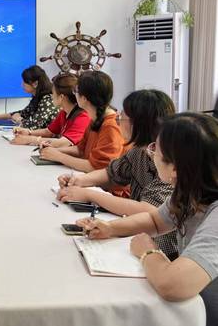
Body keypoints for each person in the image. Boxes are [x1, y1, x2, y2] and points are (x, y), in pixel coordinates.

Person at [77, 113, 218, 325]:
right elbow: (155, 220)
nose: (150, 153)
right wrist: (110, 228)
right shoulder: (190, 190)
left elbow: (174, 285)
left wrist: (148, 252)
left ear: (175, 168)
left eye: (155, 150)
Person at [56, 89, 177, 259]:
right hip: (139, 235)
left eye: (122, 117)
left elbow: (149, 212)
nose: (118, 120)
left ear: (138, 124)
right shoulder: (138, 152)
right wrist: (79, 181)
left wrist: (89, 194)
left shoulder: (168, 163)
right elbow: (111, 173)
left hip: (160, 249)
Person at [40, 70, 124, 172]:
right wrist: (54, 151)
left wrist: (59, 156)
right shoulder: (95, 119)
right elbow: (80, 150)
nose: (74, 94)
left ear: (84, 98)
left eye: (75, 90)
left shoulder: (111, 126)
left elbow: (96, 167)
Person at [10, 73, 90, 147]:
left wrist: (30, 139)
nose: (52, 96)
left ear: (61, 97)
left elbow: (64, 142)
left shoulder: (83, 117)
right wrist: (29, 132)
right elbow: (48, 132)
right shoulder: (64, 113)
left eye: (53, 93)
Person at [0, 65, 58, 129]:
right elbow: (24, 113)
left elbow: (33, 125)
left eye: (24, 82)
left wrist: (19, 119)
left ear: (35, 84)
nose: (22, 84)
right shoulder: (37, 97)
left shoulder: (48, 99)